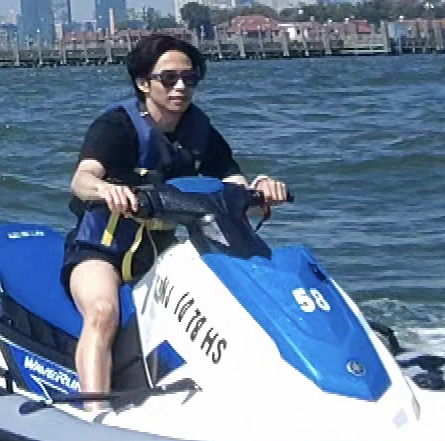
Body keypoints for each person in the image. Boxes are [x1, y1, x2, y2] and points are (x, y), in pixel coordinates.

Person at [63, 29, 290, 398]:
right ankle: (94, 410)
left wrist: (260, 190)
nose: (180, 87)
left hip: (161, 255)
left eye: (189, 78)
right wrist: (107, 189)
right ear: (143, 82)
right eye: (168, 79)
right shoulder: (117, 127)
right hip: (101, 250)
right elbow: (82, 179)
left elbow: (233, 184)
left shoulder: (200, 131)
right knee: (103, 312)